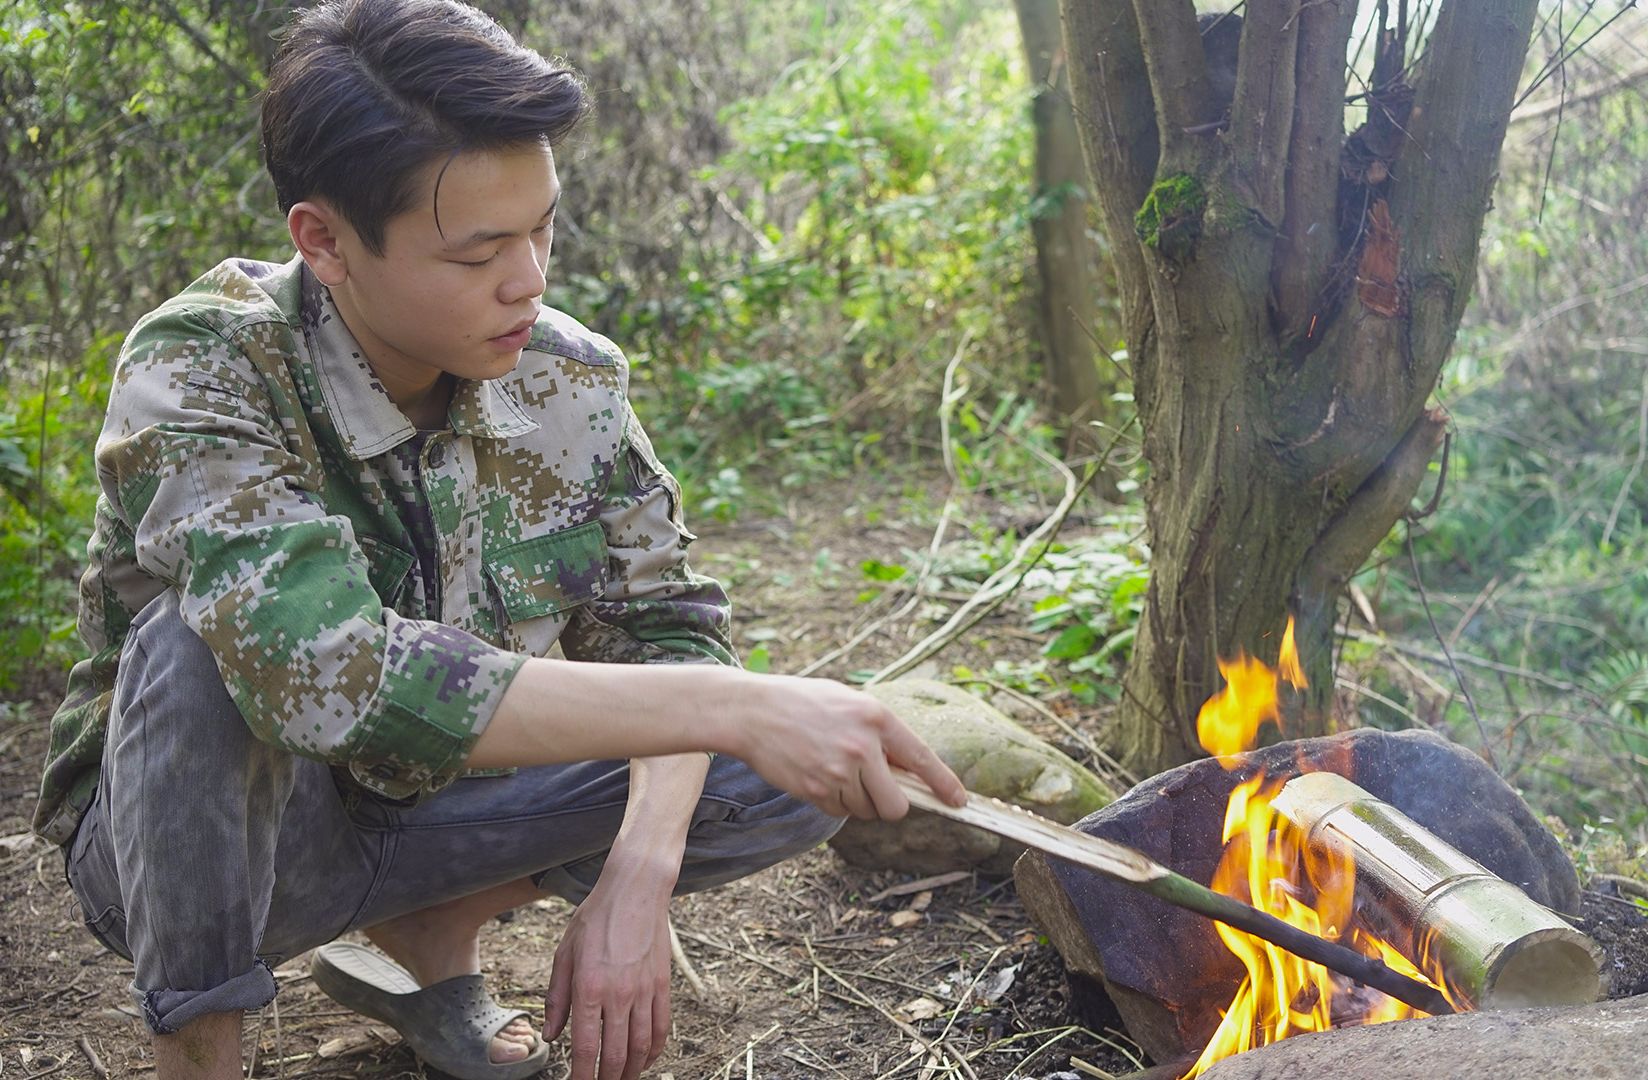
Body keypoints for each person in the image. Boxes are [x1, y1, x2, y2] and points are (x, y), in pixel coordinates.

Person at [30, 2, 967, 1079]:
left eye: (544, 227)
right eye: (481, 251)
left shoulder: (570, 376)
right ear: (324, 241)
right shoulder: (206, 368)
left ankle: (437, 938)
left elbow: (670, 634)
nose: (530, 279)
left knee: (801, 769)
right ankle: (201, 1053)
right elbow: (329, 676)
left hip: (436, 822)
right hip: (208, 858)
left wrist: (638, 875)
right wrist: (741, 706)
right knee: (195, 652)